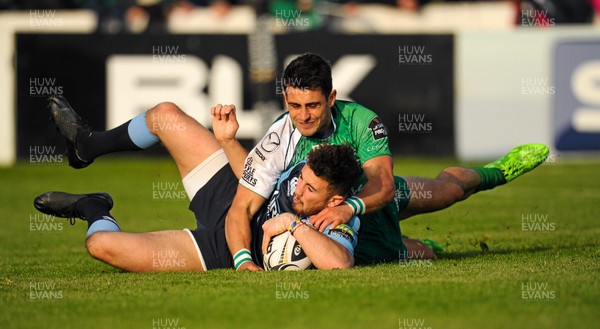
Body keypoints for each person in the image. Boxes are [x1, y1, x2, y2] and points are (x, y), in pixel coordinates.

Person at [43, 52, 549, 269]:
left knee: (441, 192)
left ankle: (495, 172)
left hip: (358, 201)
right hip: (240, 211)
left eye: (313, 105)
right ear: (285, 99)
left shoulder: (361, 122)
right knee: (165, 114)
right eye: (294, 105)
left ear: (332, 97)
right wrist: (227, 143)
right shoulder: (282, 132)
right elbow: (248, 191)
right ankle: (90, 158)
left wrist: (349, 208)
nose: (303, 116)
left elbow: (380, 179)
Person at [34, 140, 363, 272]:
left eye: (310, 189)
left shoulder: (335, 218)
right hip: (230, 197)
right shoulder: (298, 160)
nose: (297, 191)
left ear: (334, 200)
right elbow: (253, 172)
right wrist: (227, 139)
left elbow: (340, 263)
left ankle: (93, 208)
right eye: (301, 179)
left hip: (217, 250)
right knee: (166, 114)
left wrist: (292, 223)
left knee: (101, 244)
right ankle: (88, 142)